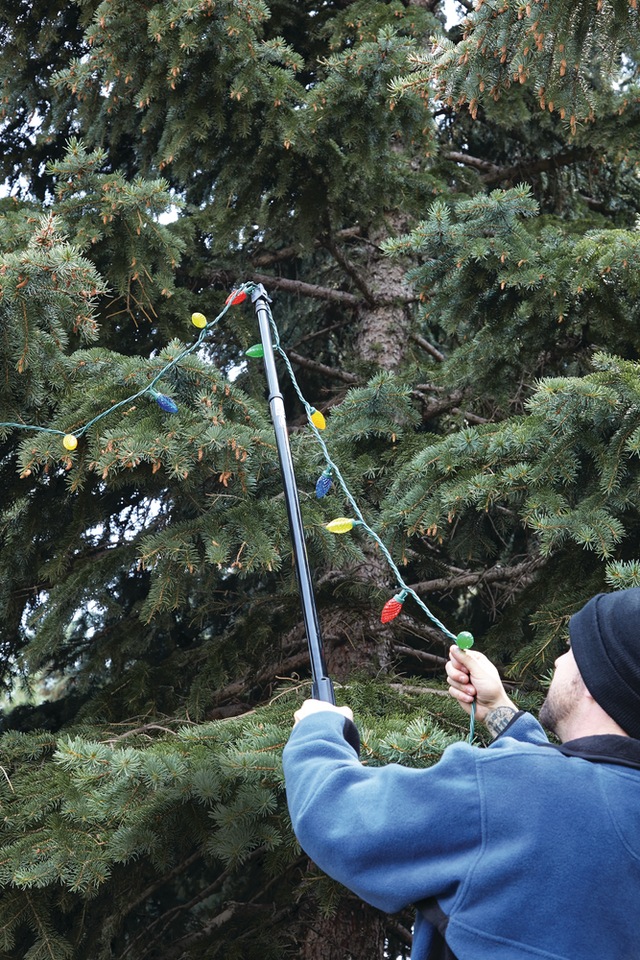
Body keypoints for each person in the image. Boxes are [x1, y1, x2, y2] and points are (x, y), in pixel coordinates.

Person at [282, 588, 640, 960]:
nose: (557, 661)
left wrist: (317, 731)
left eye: (572, 649)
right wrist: (500, 711)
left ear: (598, 680)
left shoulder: (518, 788)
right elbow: (570, 806)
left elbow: (339, 817)